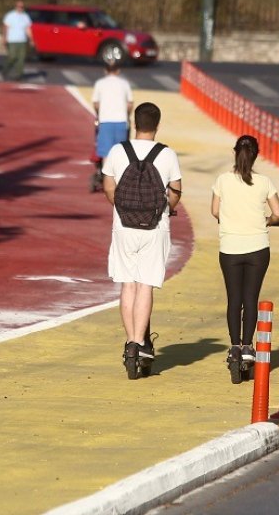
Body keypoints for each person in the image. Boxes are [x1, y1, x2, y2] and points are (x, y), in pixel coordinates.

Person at [102, 102, 183, 364]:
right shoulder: (167, 154)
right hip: (155, 227)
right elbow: (176, 190)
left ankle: (128, 343)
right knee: (145, 285)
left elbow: (108, 187)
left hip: (123, 225)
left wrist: (123, 207)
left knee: (128, 284)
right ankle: (140, 343)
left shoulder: (117, 150)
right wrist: (165, 209)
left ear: (135, 123)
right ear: (157, 125)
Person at [210, 135, 279, 369]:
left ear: (235, 152)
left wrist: (230, 219)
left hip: (230, 248)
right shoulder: (264, 182)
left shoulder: (222, 180)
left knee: (234, 299)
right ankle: (248, 347)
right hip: (258, 248)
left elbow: (214, 211)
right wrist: (268, 221)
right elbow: (278, 213)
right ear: (256, 155)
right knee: (251, 298)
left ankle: (233, 347)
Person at [90, 60, 133, 193]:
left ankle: (106, 179)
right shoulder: (124, 83)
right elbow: (130, 103)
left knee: (105, 153)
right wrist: (127, 115)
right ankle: (119, 179)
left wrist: (98, 114)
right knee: (121, 152)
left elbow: (96, 103)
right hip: (121, 120)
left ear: (105, 70)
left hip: (106, 120)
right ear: (118, 71)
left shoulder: (100, 83)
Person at [1, 0, 33, 81]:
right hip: (12, 40)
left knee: (21, 58)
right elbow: (5, 27)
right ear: (16, 6)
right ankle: (5, 70)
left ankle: (19, 75)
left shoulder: (26, 16)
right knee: (12, 56)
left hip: (22, 40)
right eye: (19, 6)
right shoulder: (10, 15)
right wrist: (4, 38)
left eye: (22, 7)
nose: (20, 8)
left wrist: (31, 39)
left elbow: (28, 29)